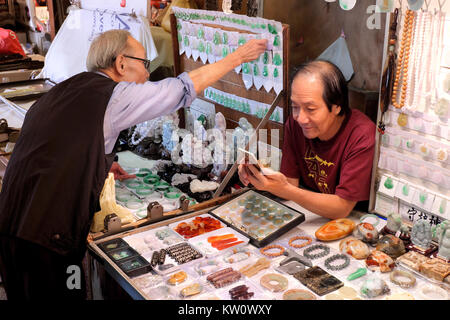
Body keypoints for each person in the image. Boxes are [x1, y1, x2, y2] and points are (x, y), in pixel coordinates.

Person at [0, 29, 267, 300]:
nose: (147, 74)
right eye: (144, 63)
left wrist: (100, 163)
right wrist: (237, 58)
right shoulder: (112, 95)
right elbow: (181, 89)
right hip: (45, 240)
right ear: (121, 63)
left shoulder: (67, 90)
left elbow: (64, 143)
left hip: (12, 224)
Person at [239, 60, 376, 220]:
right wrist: (259, 175)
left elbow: (341, 208)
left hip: (351, 220)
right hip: (310, 212)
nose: (301, 118)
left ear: (337, 106)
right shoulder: (295, 124)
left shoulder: (362, 135)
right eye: (295, 106)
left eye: (310, 109)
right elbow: (290, 183)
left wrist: (286, 190)